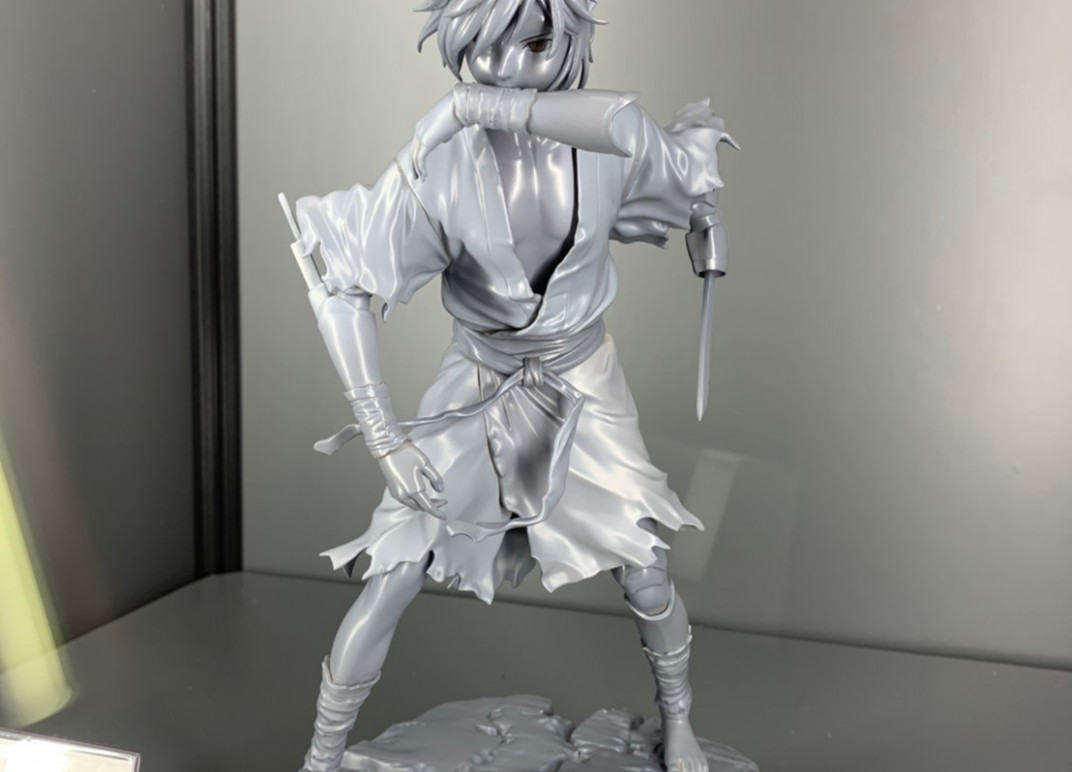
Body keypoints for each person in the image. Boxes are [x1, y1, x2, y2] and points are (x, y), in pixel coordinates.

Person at [286, 1, 735, 770]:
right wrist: (385, 437)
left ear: (572, 38)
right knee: (394, 571)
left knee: (646, 569)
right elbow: (343, 287)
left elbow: (659, 154)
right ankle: (321, 757)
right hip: (478, 379)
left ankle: (680, 721)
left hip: (584, 378)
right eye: (485, 51)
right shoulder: (441, 170)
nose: (506, 70)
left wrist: (705, 217)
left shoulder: (607, 142)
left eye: (533, 44)